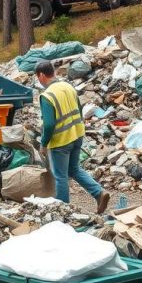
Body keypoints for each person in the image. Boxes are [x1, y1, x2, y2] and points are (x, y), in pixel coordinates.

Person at [35, 60, 111, 214]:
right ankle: (98, 192)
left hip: (61, 141)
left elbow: (48, 125)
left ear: (42, 75)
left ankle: (64, 211)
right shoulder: (68, 86)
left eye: (38, 77)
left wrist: (44, 144)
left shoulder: (47, 96)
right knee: (74, 169)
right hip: (77, 134)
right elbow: (79, 108)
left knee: (60, 176)